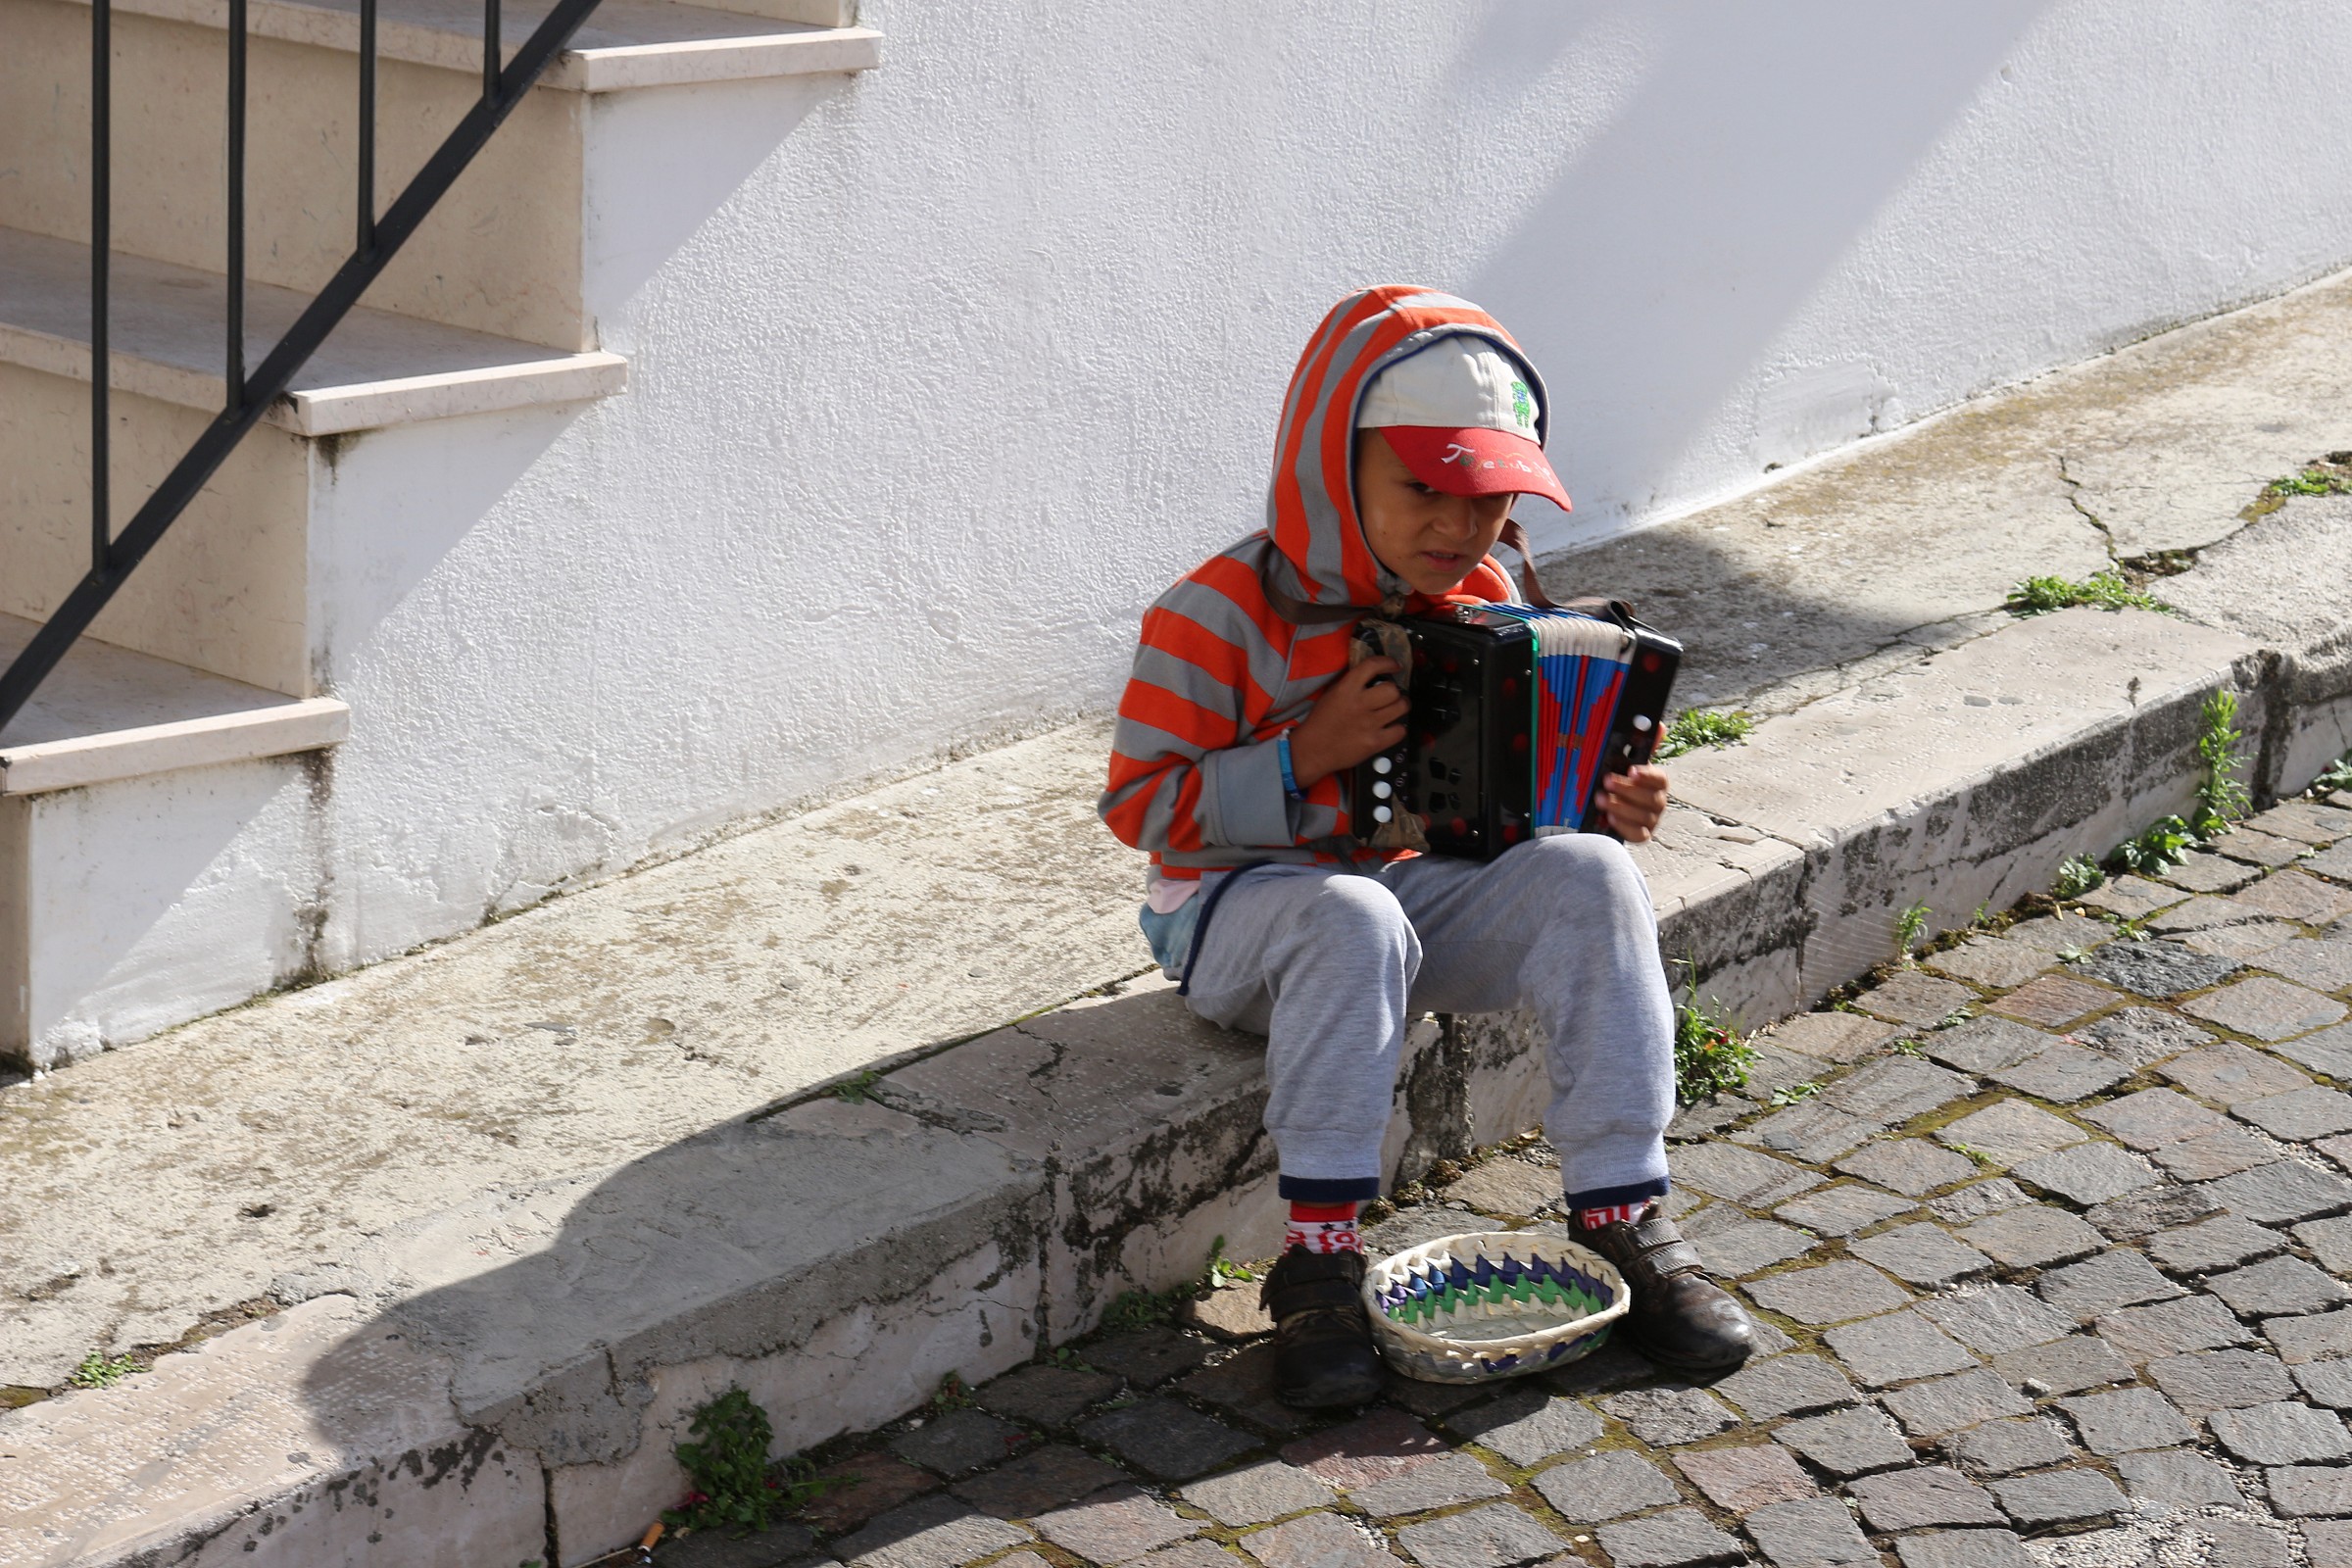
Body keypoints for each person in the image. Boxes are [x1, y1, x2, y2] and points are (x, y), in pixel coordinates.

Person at [1097, 286, 1753, 1405]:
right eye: (1424, 488)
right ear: (1329, 465)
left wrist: (1594, 802)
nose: (1460, 527)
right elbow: (1142, 810)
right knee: (1345, 914)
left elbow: (1493, 808)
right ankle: (1318, 1258)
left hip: (1407, 903)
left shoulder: (1488, 595)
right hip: (1239, 922)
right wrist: (1307, 754)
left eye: (1492, 497)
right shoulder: (1210, 615)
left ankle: (1621, 1211)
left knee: (1591, 875)